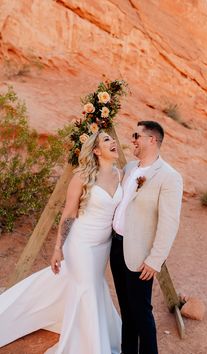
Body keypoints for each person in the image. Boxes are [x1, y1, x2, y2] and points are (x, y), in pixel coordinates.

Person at [0, 131, 123, 354]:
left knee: (90, 286)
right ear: (96, 151)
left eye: (112, 139)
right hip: (81, 243)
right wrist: (58, 248)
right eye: (106, 140)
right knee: (87, 288)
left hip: (102, 245)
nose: (113, 141)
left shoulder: (120, 174)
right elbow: (68, 215)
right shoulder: (82, 177)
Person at [111, 120, 183, 354]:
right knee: (126, 309)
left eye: (136, 136)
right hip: (117, 247)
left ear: (152, 140)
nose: (133, 140)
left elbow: (169, 222)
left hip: (140, 255)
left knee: (141, 312)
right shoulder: (131, 168)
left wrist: (155, 260)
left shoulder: (169, 176)